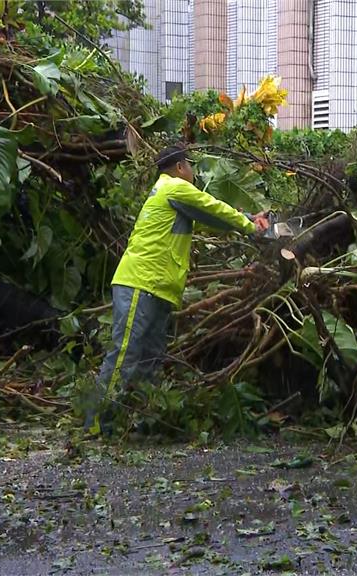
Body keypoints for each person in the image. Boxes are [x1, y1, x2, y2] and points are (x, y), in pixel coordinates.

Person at [82, 145, 269, 434]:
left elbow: (210, 218)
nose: (193, 173)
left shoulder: (172, 196)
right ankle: (95, 424)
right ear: (181, 167)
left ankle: (141, 423)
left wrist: (246, 218)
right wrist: (250, 227)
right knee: (124, 354)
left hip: (156, 289)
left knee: (151, 359)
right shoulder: (173, 188)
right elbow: (211, 206)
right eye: (190, 167)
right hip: (139, 284)